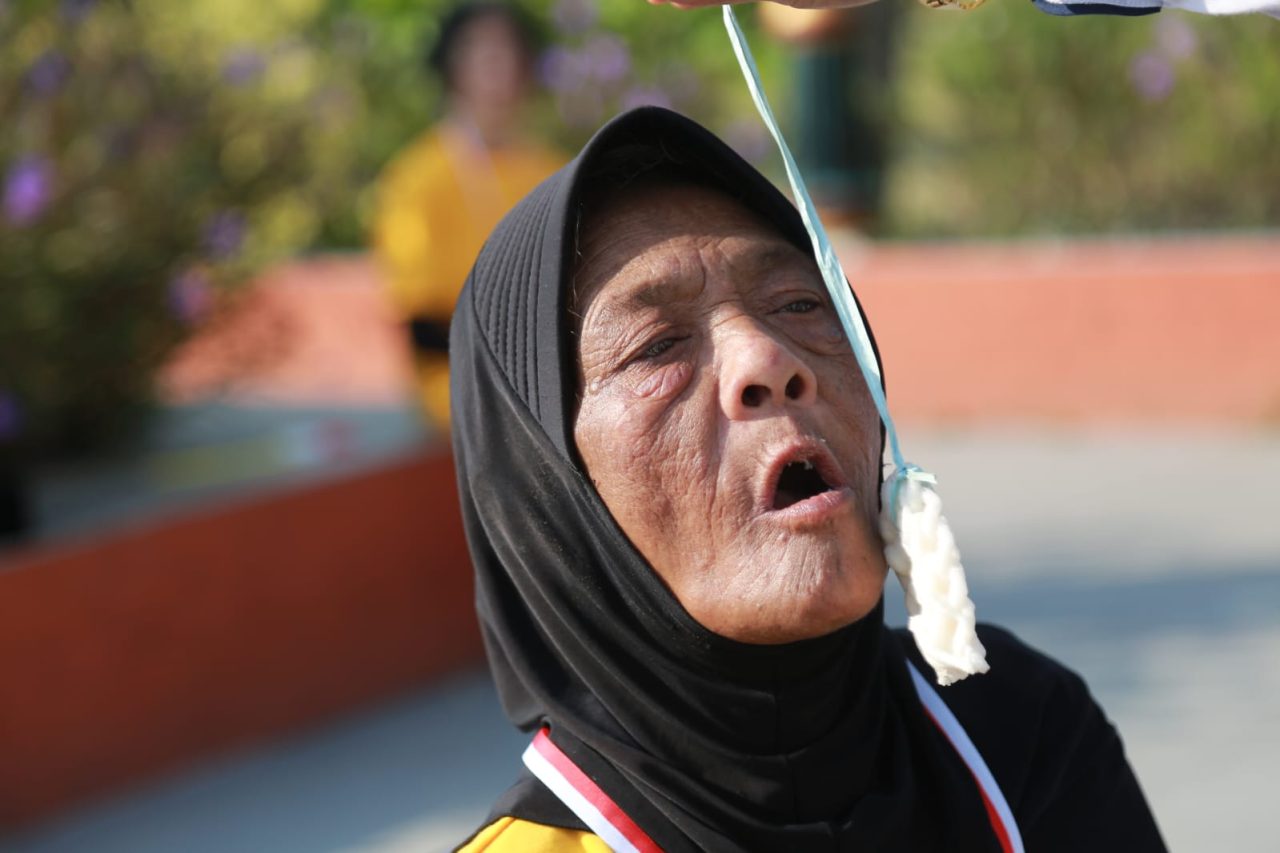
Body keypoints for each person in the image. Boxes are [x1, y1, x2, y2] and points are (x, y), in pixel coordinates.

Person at [450, 107, 1166, 852]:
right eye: (657, 345)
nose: (767, 360)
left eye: (798, 303)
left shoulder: (1016, 734)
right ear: (544, 493)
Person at [372, 1, 563, 430]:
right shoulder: (416, 179)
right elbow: (419, 323)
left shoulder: (553, 172)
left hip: (552, 394)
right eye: (484, 52)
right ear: (452, 67)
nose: (500, 66)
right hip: (462, 405)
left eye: (509, 50)